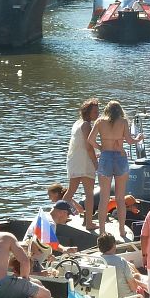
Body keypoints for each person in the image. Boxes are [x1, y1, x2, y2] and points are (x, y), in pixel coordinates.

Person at [88, 100, 142, 239]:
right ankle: (122, 232)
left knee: (104, 198)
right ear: (120, 111)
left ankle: (102, 231)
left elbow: (90, 140)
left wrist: (101, 148)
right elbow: (129, 141)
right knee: (120, 198)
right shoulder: (123, 122)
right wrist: (138, 138)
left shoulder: (99, 122)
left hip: (106, 157)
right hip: (120, 157)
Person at [65, 98, 99, 229]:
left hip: (74, 160)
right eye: (95, 112)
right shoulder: (86, 125)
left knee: (70, 192)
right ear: (88, 112)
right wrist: (95, 162)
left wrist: (99, 149)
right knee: (89, 193)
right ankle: (88, 222)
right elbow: (88, 147)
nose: (97, 114)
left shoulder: (77, 123)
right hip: (84, 162)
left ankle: (56, 214)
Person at [97, 232, 147, 298]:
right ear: (113, 245)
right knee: (139, 289)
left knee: (136, 276)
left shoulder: (96, 261)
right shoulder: (121, 261)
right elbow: (134, 287)